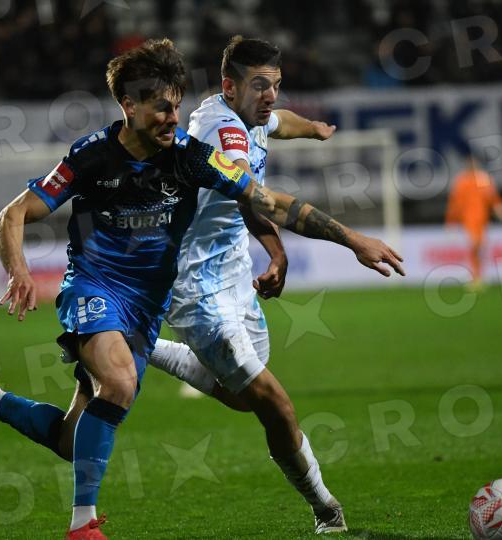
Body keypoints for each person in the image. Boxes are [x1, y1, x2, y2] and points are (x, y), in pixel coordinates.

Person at [0, 38, 404, 540]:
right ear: (128, 105)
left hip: (147, 306)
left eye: (176, 106)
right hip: (96, 287)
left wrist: (351, 238)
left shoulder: (189, 157)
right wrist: (18, 271)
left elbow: (268, 201)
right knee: (125, 386)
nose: (172, 118)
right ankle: (83, 525)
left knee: (73, 441)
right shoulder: (91, 156)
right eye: (161, 107)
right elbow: (11, 215)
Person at [144, 35, 350, 534]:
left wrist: (314, 130)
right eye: (260, 86)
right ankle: (326, 508)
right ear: (229, 86)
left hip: (235, 274)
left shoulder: (256, 114)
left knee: (240, 396)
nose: (271, 96)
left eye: (275, 85)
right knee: (274, 404)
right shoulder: (221, 130)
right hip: (195, 287)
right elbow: (251, 192)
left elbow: (282, 123)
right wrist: (353, 241)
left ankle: (140, 343)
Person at [445, 153, 502, 291]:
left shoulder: (483, 178)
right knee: (475, 246)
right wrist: (451, 221)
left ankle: (477, 276)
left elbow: (492, 196)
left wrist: (500, 208)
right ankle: (476, 277)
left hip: (482, 219)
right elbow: (455, 202)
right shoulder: (462, 180)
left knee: (478, 247)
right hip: (468, 219)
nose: (472, 165)